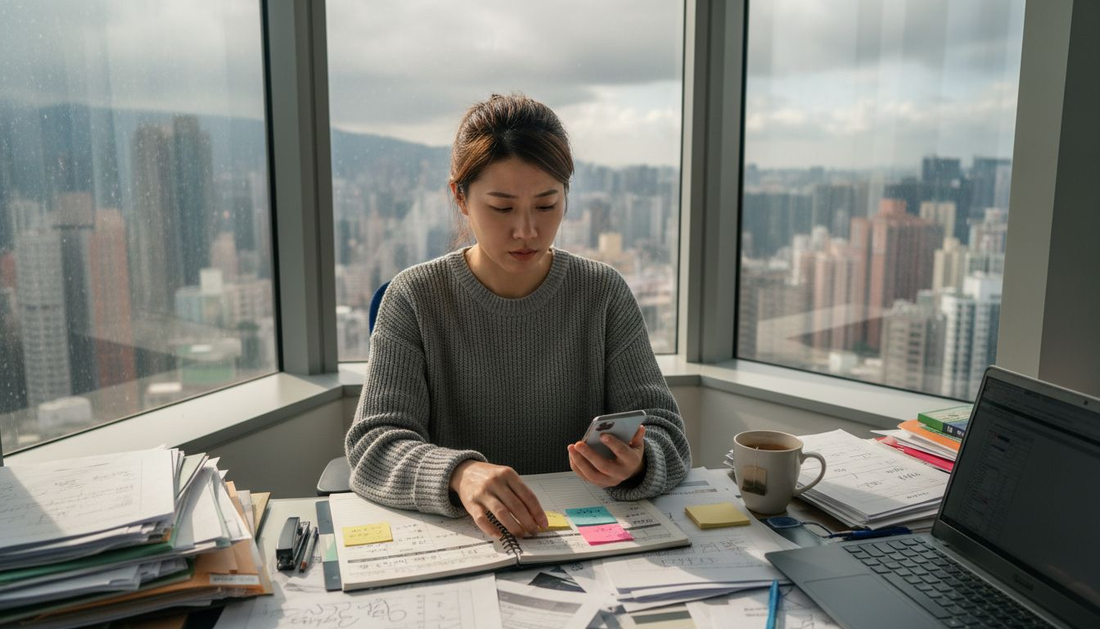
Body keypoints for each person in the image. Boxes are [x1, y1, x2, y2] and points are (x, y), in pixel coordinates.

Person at [345, 93, 691, 540]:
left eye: (547, 205)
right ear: (461, 198)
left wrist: (640, 461)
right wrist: (459, 473)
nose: (527, 231)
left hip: (585, 537)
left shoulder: (602, 293)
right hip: (468, 539)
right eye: (502, 207)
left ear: (567, 195)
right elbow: (373, 445)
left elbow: (667, 435)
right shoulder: (413, 298)